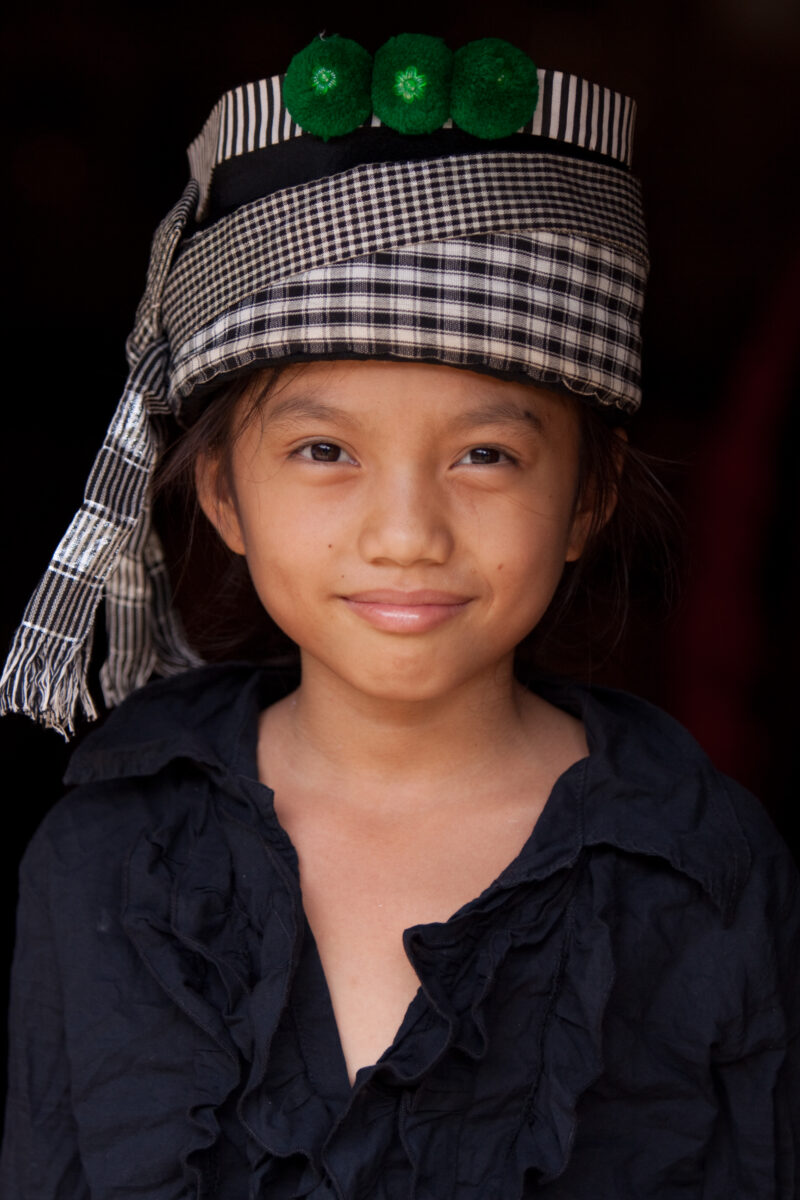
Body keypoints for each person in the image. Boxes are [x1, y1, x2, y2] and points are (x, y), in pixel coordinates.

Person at [1, 33, 797, 1199]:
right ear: (220, 490)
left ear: (587, 497)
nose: (407, 531)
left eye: (484, 454)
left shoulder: (704, 874)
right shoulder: (106, 860)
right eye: (324, 450)